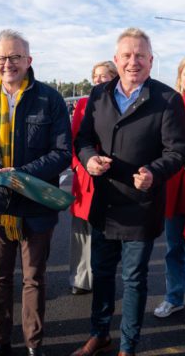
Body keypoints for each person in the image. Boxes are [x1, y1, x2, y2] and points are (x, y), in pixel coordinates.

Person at [72, 28, 185, 356]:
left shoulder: (168, 99)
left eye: (140, 56)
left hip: (141, 205)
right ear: (116, 59)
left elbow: (177, 151)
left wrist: (154, 172)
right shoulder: (99, 95)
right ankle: (99, 333)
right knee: (103, 273)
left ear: (150, 61)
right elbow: (82, 139)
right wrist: (89, 158)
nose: (132, 61)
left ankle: (128, 345)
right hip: (105, 203)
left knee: (134, 279)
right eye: (126, 55)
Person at [0, 29, 71, 356]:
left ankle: (34, 344)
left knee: (34, 280)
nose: (7, 64)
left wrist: (21, 177)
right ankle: (0, 342)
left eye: (15, 57)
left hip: (36, 206)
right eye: (1, 58)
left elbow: (62, 151)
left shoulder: (49, 99)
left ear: (28, 60)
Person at [68, 61, 118, 296]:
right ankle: (81, 277)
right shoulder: (83, 104)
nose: (98, 81)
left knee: (108, 231)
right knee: (81, 230)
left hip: (113, 176)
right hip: (86, 175)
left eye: (104, 77)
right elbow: (75, 140)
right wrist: (78, 167)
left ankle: (102, 274)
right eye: (95, 77)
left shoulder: (123, 105)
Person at [152, 56, 185, 319]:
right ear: (180, 77)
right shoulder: (171, 104)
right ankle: (174, 297)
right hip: (175, 187)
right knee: (173, 247)